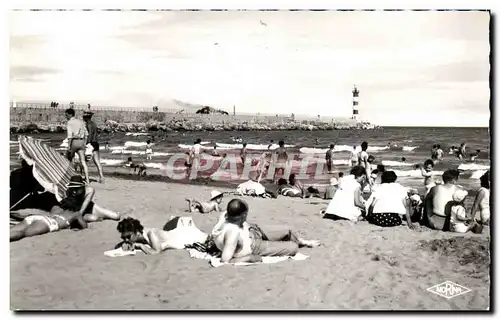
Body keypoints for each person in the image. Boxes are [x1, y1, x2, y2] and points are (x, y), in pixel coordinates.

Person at [211, 199, 320, 263]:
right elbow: (225, 260)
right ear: (243, 215)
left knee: (287, 231)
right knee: (293, 247)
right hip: (255, 246)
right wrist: (249, 258)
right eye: (246, 214)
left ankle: (304, 242)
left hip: (252, 230)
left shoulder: (224, 216)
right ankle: (299, 244)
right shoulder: (232, 233)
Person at [116, 217, 208, 255]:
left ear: (137, 232)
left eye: (128, 237)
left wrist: (140, 246)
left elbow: (156, 252)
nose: (126, 239)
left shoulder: (151, 234)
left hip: (184, 236)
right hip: (175, 233)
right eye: (124, 237)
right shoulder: (139, 235)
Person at [52, 175, 121, 223]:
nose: (74, 190)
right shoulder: (68, 191)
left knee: (116, 216)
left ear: (81, 187)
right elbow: (65, 204)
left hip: (88, 207)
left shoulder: (89, 190)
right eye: (73, 187)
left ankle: (104, 215)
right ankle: (98, 218)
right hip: (75, 210)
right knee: (93, 218)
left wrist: (78, 215)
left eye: (77, 188)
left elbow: (85, 205)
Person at [10, 207, 88, 242]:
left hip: (39, 217)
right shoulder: (76, 214)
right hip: (48, 222)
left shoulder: (56, 208)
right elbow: (85, 227)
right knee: (23, 233)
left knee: (13, 229)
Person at [65, 108, 90, 184]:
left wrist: (69, 147)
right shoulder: (81, 121)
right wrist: (84, 143)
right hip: (82, 142)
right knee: (83, 162)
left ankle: (68, 177)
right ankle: (87, 179)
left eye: (66, 115)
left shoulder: (70, 122)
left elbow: (69, 136)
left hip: (74, 141)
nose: (66, 116)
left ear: (70, 114)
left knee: (68, 160)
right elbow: (86, 134)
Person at [83, 111, 105, 183]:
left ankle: (87, 178)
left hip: (90, 143)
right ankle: (101, 177)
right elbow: (96, 133)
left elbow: (90, 135)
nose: (83, 118)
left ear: (87, 117)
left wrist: (86, 143)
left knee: (84, 161)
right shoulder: (94, 124)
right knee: (97, 161)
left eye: (84, 116)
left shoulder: (88, 124)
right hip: (95, 143)